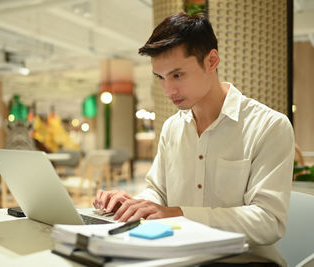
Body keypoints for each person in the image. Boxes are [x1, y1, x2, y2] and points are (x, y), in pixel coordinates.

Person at [93, 13, 294, 266]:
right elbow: (158, 193)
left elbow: (269, 222)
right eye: (160, 77)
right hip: (178, 258)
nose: (168, 90)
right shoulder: (172, 128)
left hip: (247, 261)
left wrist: (179, 214)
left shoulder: (269, 126)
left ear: (211, 61)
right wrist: (134, 205)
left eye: (177, 75)